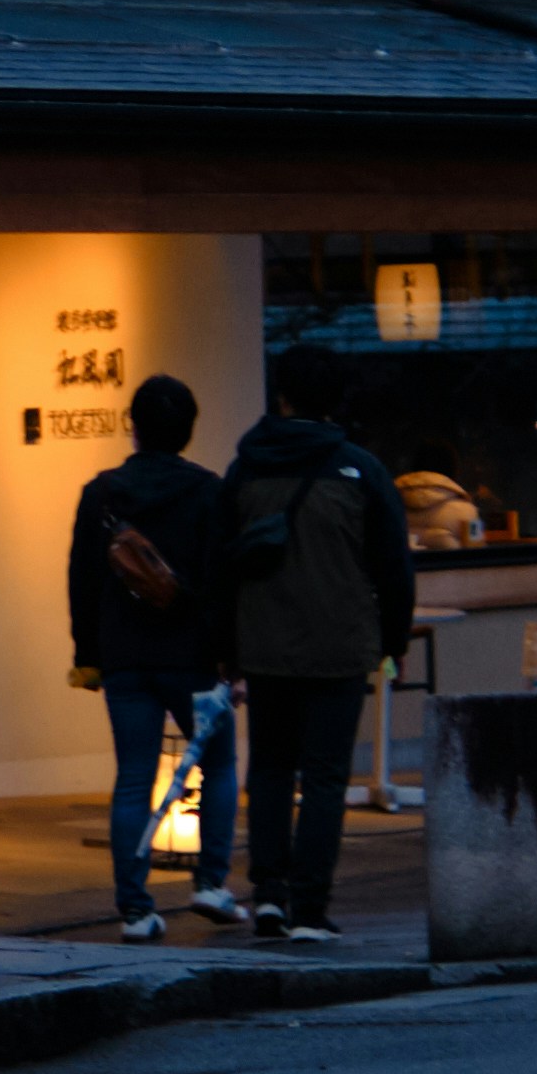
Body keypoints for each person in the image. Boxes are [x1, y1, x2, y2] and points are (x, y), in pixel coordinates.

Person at [222, 391, 418, 946]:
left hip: (263, 645)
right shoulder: (360, 469)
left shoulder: (246, 468)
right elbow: (393, 567)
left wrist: (227, 650)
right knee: (326, 778)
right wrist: (393, 641)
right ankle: (309, 908)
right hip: (339, 647)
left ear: (281, 399)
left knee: (270, 772)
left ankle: (267, 897)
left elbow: (223, 562)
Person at [65, 375, 241, 940]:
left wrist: (88, 654)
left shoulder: (102, 493)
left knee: (134, 776)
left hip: (126, 657)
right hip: (192, 657)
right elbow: (222, 582)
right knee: (217, 764)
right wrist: (228, 657)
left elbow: (82, 579)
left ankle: (136, 909)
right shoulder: (209, 492)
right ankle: (210, 883)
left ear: (132, 425)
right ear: (189, 430)